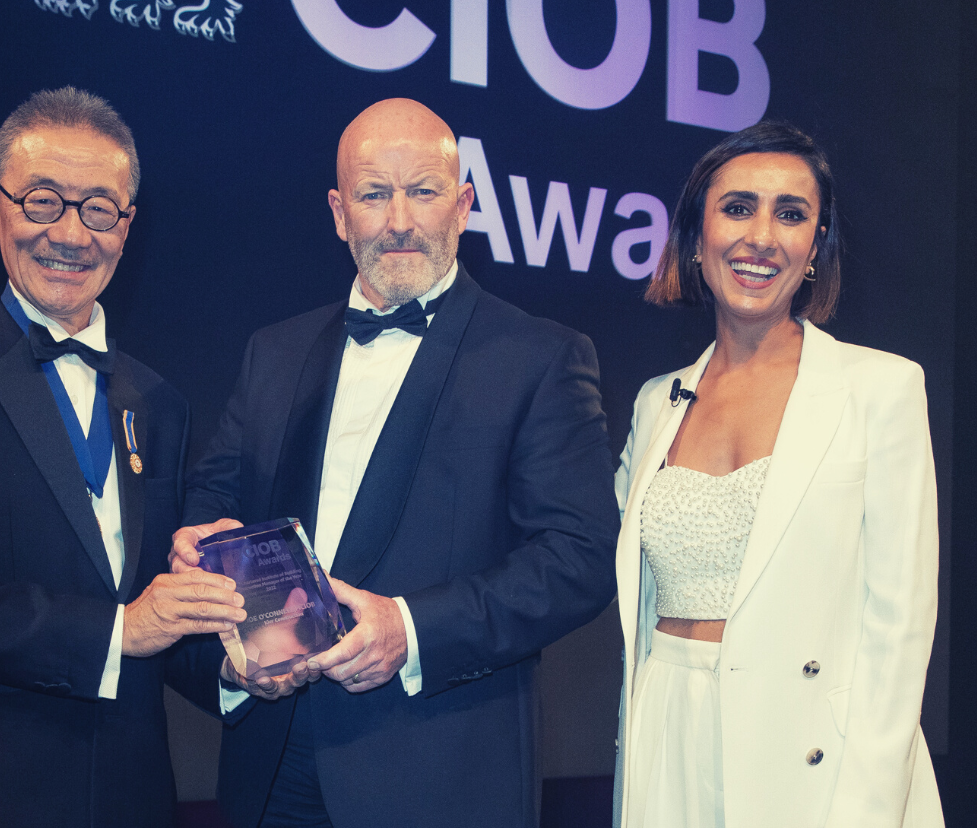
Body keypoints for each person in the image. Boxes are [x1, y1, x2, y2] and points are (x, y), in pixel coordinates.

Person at [169, 98, 620, 828]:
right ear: (340, 212)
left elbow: (580, 559)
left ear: (465, 204)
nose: (400, 219)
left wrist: (412, 630)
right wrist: (201, 541)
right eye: (374, 193)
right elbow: (213, 496)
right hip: (270, 764)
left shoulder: (541, 357)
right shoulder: (272, 353)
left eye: (425, 190)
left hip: (438, 775)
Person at [0, 87, 253, 828]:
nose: (71, 232)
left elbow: (154, 611)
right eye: (43, 202)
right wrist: (119, 632)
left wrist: (239, 665)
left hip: (130, 798)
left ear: (126, 230)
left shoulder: (159, 404)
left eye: (99, 209)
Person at [613, 121, 944, 827]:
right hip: (668, 728)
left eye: (791, 214)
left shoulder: (880, 389)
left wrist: (868, 807)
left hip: (811, 756)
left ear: (815, 248)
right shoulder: (655, 403)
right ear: (695, 239)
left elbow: (900, 628)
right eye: (737, 208)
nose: (761, 236)